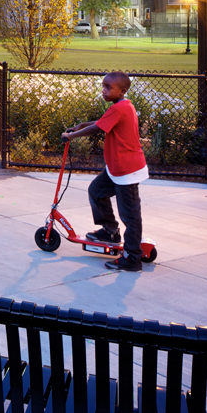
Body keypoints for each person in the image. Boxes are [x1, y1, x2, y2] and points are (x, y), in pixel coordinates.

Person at [61, 71, 148, 273]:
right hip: (116, 167)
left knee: (130, 215)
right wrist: (82, 125)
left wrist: (71, 136)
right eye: (103, 86)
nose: (104, 90)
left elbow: (97, 129)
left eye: (109, 88)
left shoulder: (120, 108)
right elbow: (100, 123)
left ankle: (132, 258)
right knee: (97, 191)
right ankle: (110, 231)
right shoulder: (121, 106)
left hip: (127, 170)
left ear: (122, 91)